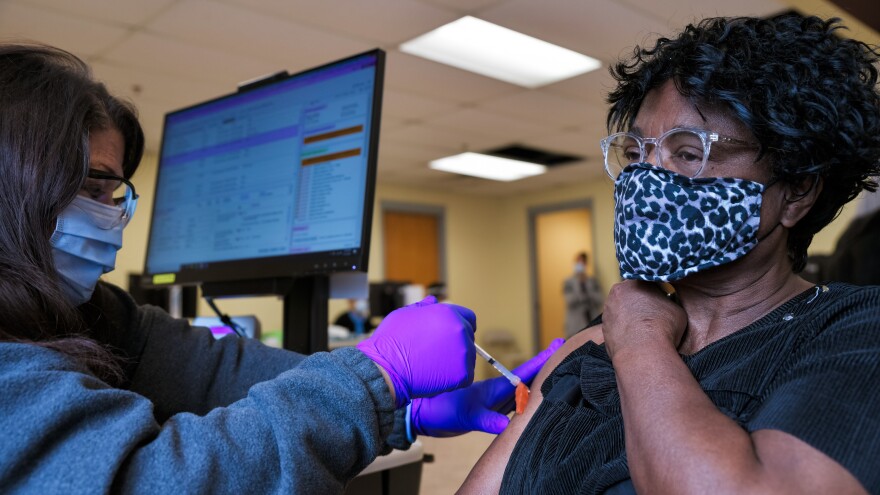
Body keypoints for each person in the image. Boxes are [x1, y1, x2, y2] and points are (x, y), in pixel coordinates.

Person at [0, 43, 563, 493]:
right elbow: (154, 479)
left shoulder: (89, 313)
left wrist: (400, 411)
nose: (113, 214)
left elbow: (216, 370)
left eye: (114, 189)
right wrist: (381, 373)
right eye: (95, 186)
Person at [461, 14, 880, 494]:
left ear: (796, 191)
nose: (644, 182)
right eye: (638, 154)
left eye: (687, 152)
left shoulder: (853, 331)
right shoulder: (587, 349)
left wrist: (640, 339)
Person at [562, 251, 603, 338]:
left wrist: (588, 288)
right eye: (578, 262)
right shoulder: (568, 282)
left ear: (586, 264)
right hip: (575, 325)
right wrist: (579, 284)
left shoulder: (593, 281)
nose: (580, 265)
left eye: (582, 262)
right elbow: (569, 300)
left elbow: (599, 299)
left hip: (592, 322)